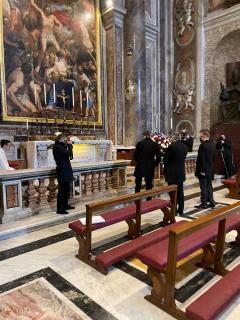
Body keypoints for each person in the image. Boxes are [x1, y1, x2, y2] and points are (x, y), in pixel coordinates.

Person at [163, 132, 188, 215]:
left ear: (173, 138)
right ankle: (181, 209)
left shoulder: (171, 147)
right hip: (180, 172)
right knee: (180, 191)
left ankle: (174, 209)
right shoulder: (184, 146)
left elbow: (166, 160)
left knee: (172, 192)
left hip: (172, 173)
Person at [52, 134, 75, 215]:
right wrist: (70, 146)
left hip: (65, 169)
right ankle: (59, 209)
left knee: (67, 188)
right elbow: (68, 154)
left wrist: (67, 145)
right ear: (61, 139)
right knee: (62, 190)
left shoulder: (60, 146)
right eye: (65, 140)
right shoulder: (57, 147)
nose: (66, 142)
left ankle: (65, 205)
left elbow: (67, 155)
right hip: (62, 169)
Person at [195, 129, 216, 209]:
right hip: (210, 169)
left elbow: (202, 159)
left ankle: (204, 203)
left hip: (203, 170)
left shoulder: (203, 145)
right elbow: (214, 158)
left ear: (203, 136)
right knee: (209, 186)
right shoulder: (213, 144)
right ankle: (211, 202)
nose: (199, 137)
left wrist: (202, 170)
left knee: (203, 187)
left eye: (200, 135)